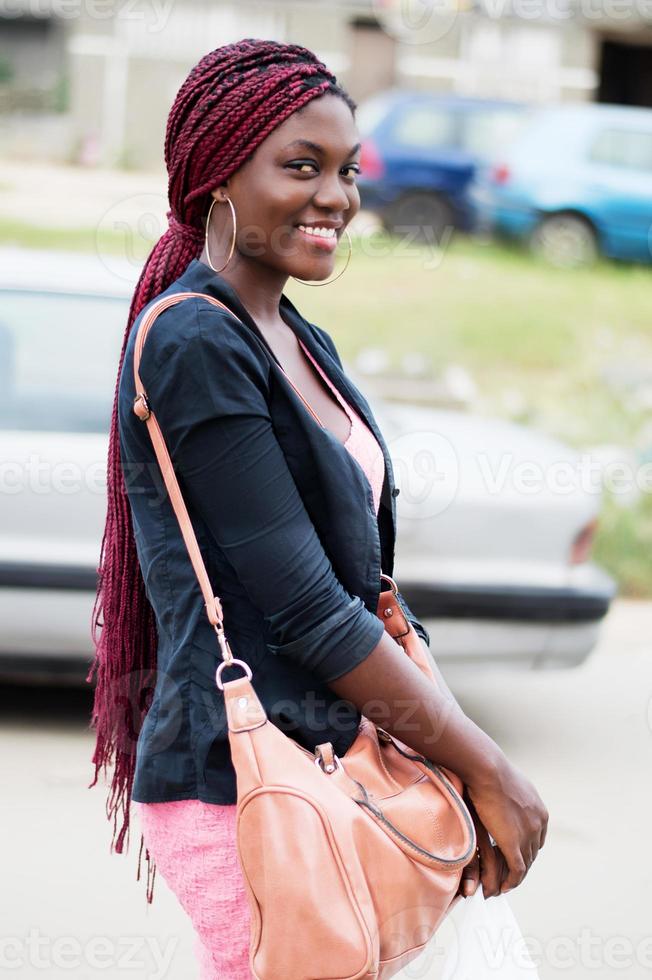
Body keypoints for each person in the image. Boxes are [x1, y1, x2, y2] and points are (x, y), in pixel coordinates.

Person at [86, 38, 548, 980]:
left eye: (348, 171)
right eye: (301, 166)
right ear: (217, 177)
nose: (335, 196)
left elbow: (357, 579)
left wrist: (445, 745)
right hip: (254, 783)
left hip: (349, 762)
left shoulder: (297, 333)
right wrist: (487, 763)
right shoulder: (194, 342)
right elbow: (303, 609)